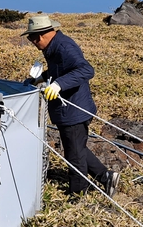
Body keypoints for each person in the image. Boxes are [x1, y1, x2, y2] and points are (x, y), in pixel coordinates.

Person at [24, 14, 119, 197]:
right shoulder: (53, 46)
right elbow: (59, 69)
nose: (32, 43)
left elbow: (86, 70)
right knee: (76, 147)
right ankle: (106, 177)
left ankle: (78, 193)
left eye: (32, 39)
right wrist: (42, 78)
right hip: (67, 109)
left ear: (40, 36)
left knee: (74, 155)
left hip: (74, 109)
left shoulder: (64, 47)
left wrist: (59, 85)